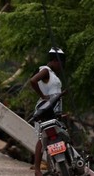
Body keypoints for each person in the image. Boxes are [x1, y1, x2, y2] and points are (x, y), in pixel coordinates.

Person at [28, 47, 65, 176]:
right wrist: (43, 96)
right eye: (60, 63)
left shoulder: (52, 74)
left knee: (55, 137)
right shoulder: (46, 71)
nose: (61, 67)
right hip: (45, 109)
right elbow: (33, 81)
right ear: (55, 61)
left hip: (54, 110)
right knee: (42, 138)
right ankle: (37, 169)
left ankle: (57, 166)